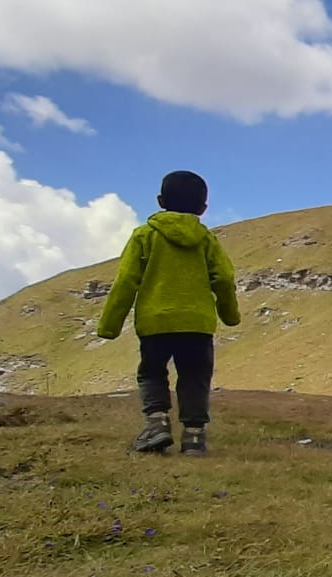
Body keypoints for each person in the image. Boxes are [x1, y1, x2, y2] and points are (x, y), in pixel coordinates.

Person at [97, 171, 240, 455]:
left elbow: (126, 281)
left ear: (160, 201)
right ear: (203, 208)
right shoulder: (207, 241)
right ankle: (194, 438)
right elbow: (223, 278)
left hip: (155, 322)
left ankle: (157, 425)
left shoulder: (144, 236)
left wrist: (109, 325)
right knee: (195, 377)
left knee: (151, 373)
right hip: (197, 324)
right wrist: (229, 314)